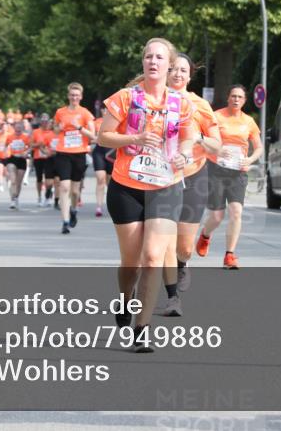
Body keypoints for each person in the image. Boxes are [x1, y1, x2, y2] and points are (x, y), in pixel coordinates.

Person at [97, 38, 196, 352]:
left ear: (169, 65)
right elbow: (104, 137)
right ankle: (126, 299)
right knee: (132, 264)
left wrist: (183, 153)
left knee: (153, 257)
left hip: (165, 186)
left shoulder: (181, 103)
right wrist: (136, 136)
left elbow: (189, 138)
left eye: (159, 57)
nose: (153, 62)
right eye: (148, 57)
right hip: (127, 186)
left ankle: (141, 331)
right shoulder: (126, 98)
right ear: (144, 63)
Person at [156, 52, 221, 317]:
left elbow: (217, 144)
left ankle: (182, 263)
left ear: (190, 76)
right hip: (160, 176)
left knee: (183, 246)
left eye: (183, 70)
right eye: (173, 69)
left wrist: (198, 140)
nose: (178, 74)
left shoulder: (200, 105)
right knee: (164, 243)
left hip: (194, 175)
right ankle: (173, 298)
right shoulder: (154, 100)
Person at [195, 85, 262, 270]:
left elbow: (259, 147)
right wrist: (217, 150)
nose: (236, 99)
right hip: (216, 169)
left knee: (236, 213)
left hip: (238, 172)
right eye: (233, 96)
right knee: (216, 216)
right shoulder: (217, 116)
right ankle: (205, 236)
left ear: (244, 100)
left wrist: (250, 159)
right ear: (228, 98)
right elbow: (204, 140)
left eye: (240, 97)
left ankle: (229, 255)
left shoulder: (248, 122)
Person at [53, 83, 95, 234]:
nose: (74, 97)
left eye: (77, 95)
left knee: (75, 191)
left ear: (81, 97)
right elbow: (55, 129)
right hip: (63, 152)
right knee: (64, 187)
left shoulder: (85, 113)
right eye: (72, 95)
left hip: (79, 154)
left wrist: (79, 127)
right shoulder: (60, 112)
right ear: (68, 96)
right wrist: (60, 127)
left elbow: (93, 135)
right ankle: (64, 221)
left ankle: (74, 210)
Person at [4, 119, 31, 210]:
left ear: (22, 128)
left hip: (22, 159)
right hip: (12, 159)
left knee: (19, 183)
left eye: (20, 127)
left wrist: (26, 152)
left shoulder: (26, 137)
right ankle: (12, 200)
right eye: (17, 127)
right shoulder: (9, 137)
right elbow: (5, 146)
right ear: (14, 128)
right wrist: (6, 152)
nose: (18, 129)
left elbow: (30, 147)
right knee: (13, 181)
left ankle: (16, 198)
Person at [90, 113, 113, 217]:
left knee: (110, 182)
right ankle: (98, 206)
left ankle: (112, 204)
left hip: (113, 152)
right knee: (100, 179)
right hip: (99, 152)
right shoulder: (97, 122)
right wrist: (96, 138)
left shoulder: (119, 121)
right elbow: (91, 138)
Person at [32, 115, 55, 207]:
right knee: (39, 178)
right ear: (40, 122)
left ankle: (48, 196)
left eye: (46, 121)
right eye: (43, 120)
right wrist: (39, 144)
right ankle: (39, 197)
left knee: (50, 179)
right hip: (38, 157)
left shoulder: (52, 132)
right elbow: (31, 144)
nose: (45, 122)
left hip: (49, 158)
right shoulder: (36, 132)